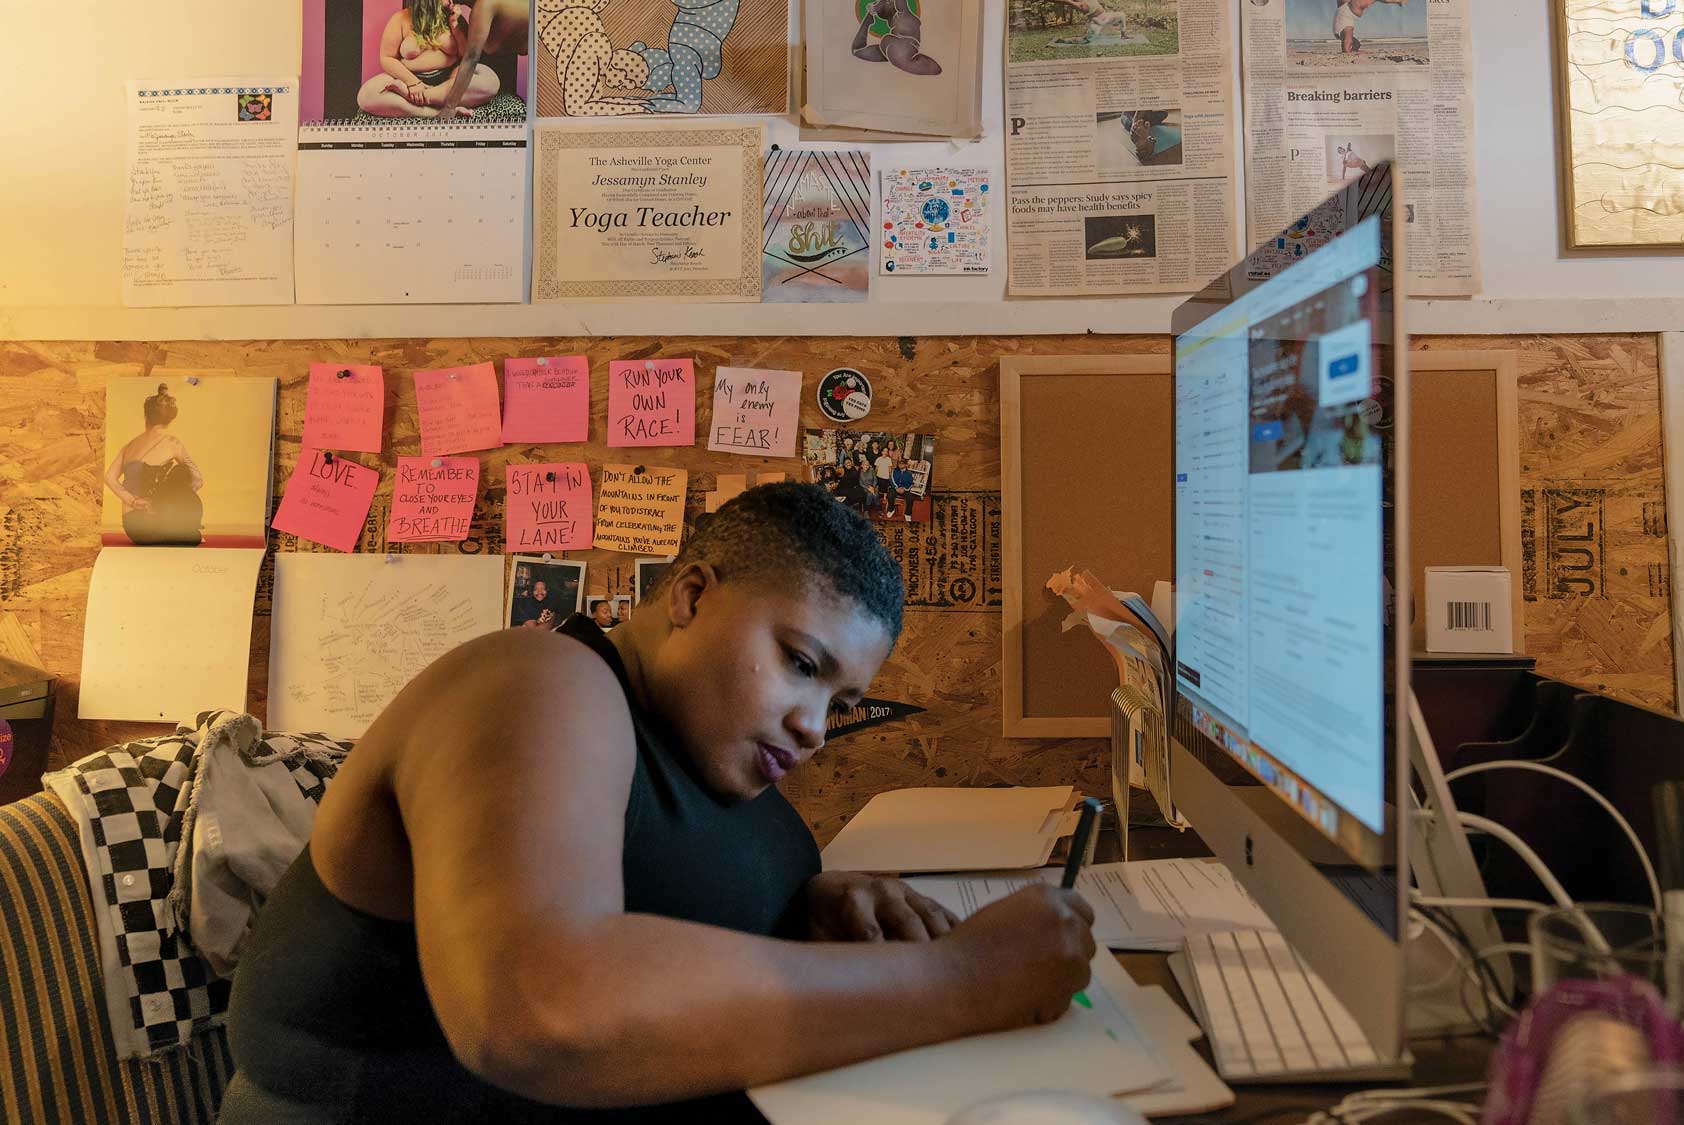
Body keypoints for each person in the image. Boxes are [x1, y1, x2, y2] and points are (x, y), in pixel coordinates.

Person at [221, 483, 1095, 1120]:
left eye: (843, 701)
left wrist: (798, 910)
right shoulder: (533, 682)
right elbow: (536, 1010)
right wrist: (961, 981)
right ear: (691, 594)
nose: (817, 723)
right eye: (800, 661)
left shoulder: (695, 740)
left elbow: (639, 891)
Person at [357, 0, 502, 119]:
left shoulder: (455, 18)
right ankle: (433, 113)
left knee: (491, 80)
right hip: (409, 80)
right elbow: (387, 58)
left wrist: (455, 26)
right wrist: (412, 83)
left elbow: (466, 57)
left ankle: (421, 98)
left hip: (449, 81)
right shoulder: (400, 19)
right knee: (367, 94)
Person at [103, 383, 204, 546]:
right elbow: (198, 479)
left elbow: (109, 478)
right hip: (156, 522)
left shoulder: (129, 446)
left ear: (146, 416)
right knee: (180, 473)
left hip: (133, 528)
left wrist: (133, 501)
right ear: (171, 419)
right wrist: (177, 499)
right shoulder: (172, 443)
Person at [537, 0, 655, 116]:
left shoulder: (597, 63)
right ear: (622, 71)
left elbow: (594, 103)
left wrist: (630, 104)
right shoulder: (596, 49)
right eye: (624, 84)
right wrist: (632, 109)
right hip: (548, 12)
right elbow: (576, 108)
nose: (620, 89)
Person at [435, 0, 531, 116]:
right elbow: (471, 51)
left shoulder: (485, 5)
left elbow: (471, 58)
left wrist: (450, 107)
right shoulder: (477, 12)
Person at [1337, 0, 1407, 54]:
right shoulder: (1346, 25)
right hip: (1345, 16)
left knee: (1356, 44)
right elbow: (1346, 49)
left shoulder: (1345, 22)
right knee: (1349, 45)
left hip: (1344, 14)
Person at [873, 446, 898, 517]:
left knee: (886, 485)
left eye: (887, 451)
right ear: (882, 452)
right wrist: (875, 476)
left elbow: (889, 469)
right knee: (878, 486)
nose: (885, 452)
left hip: (886, 476)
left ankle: (885, 497)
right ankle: (877, 497)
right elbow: (876, 469)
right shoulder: (878, 459)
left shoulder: (889, 459)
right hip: (879, 476)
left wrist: (890, 476)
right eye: (884, 451)